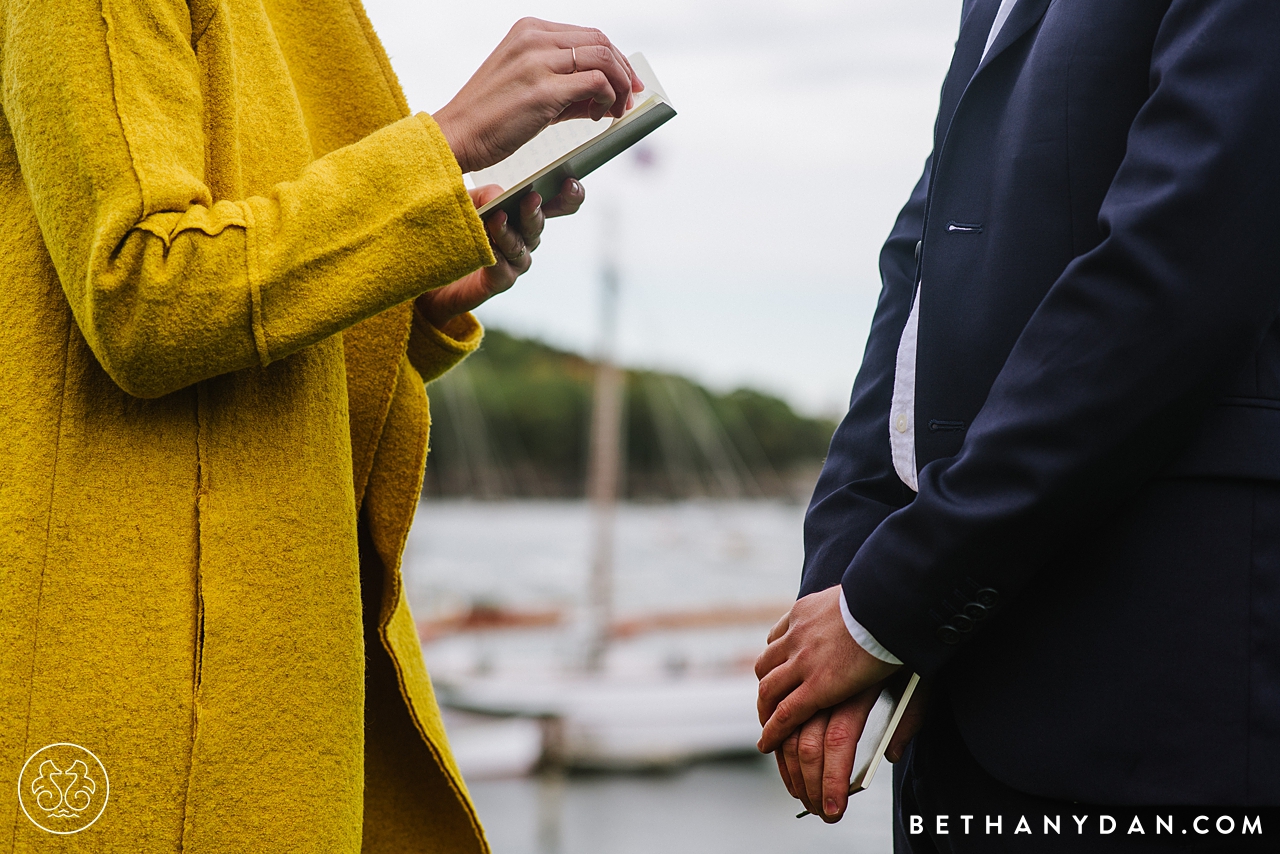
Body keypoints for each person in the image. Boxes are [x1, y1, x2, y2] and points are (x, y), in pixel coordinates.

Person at [0, 3, 638, 850]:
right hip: (148, 720)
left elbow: (250, 313)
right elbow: (143, 292)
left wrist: (414, 298)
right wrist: (443, 145)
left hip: (275, 691)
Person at [755, 0, 1280, 850]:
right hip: (954, 715)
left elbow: (1179, 270)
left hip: (1160, 699)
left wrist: (894, 605)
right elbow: (924, 264)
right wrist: (847, 580)